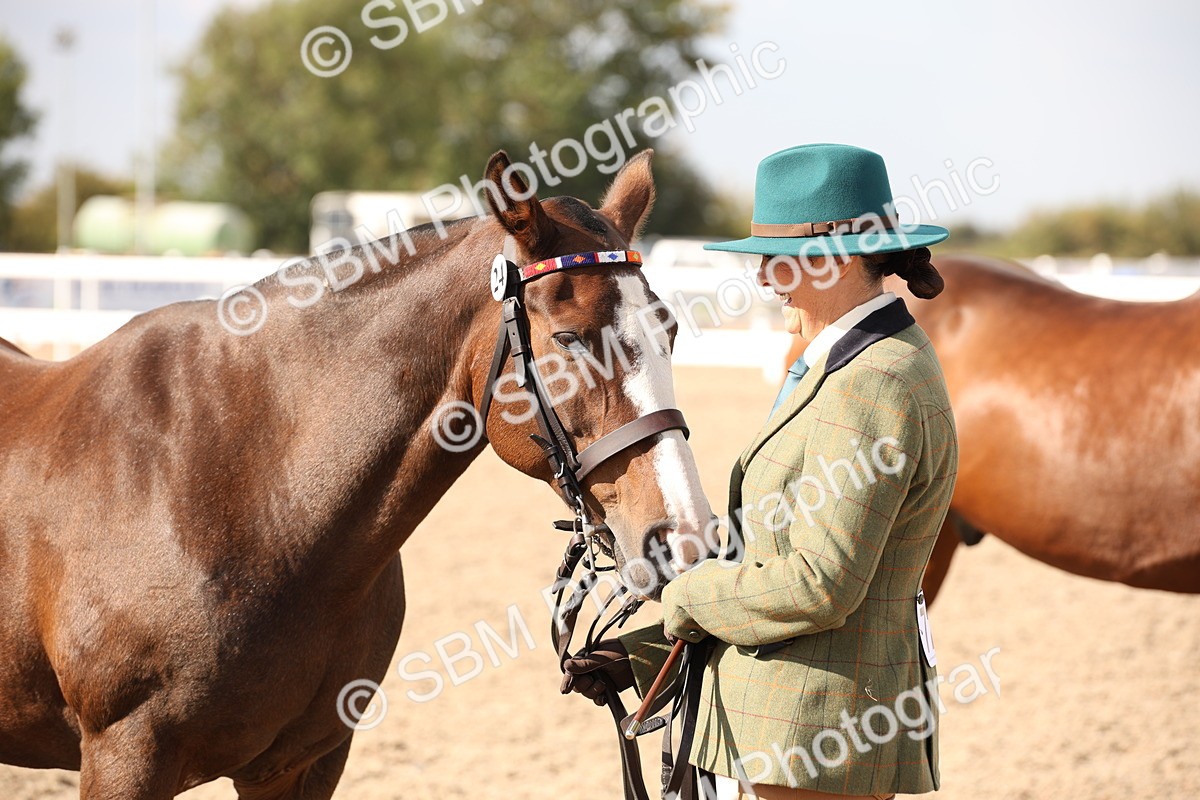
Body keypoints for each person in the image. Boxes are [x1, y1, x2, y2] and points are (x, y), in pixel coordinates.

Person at [562, 144, 959, 800]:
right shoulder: (849, 364)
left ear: (835, 259)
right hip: (795, 729)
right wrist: (648, 650)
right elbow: (775, 560)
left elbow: (819, 586)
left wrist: (685, 599)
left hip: (814, 737)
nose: (765, 279)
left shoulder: (874, 382)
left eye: (777, 258)